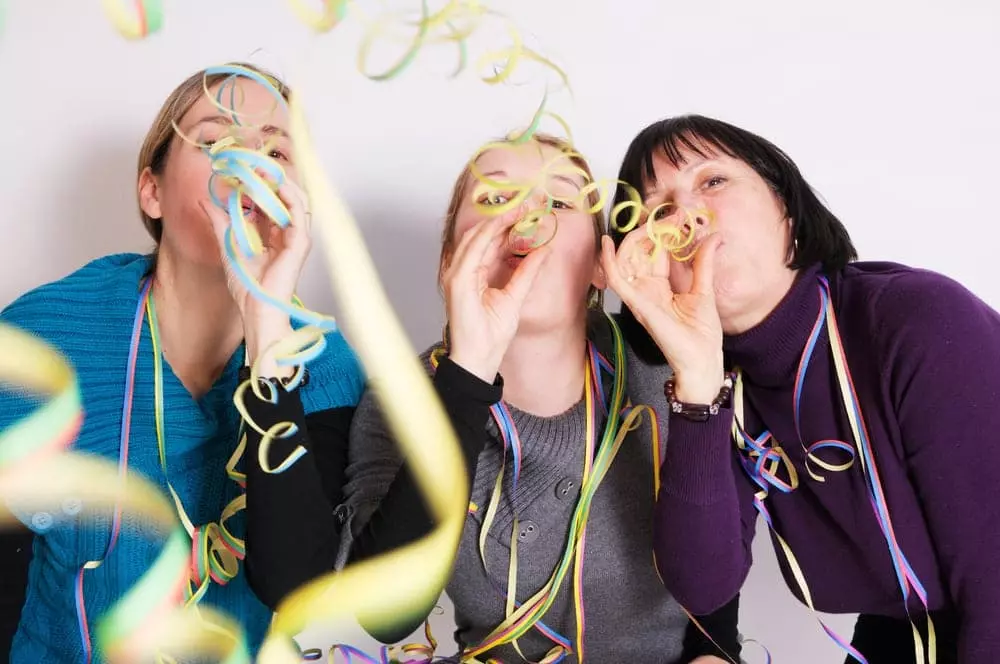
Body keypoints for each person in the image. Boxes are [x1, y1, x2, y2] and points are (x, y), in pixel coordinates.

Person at [246, 132, 742, 663]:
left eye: (557, 200)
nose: (528, 216)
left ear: (602, 265)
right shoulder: (406, 398)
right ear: (450, 261)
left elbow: (712, 578)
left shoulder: (663, 363)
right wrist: (469, 371)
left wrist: (717, 654)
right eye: (495, 199)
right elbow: (390, 615)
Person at [0, 62, 367, 662]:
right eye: (220, 139)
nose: (249, 164)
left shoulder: (324, 365)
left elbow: (296, 584)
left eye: (276, 149)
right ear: (153, 190)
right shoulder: (45, 336)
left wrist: (266, 325)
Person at [601, 114, 1000, 664]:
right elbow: (703, 586)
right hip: (903, 633)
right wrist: (696, 383)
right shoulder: (720, 383)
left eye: (712, 181)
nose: (684, 215)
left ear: (786, 209)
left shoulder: (917, 320)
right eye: (658, 210)